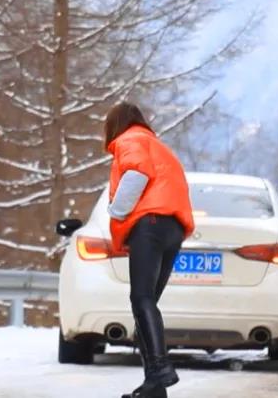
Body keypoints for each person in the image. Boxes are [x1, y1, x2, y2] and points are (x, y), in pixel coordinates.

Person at [104, 102, 194, 398]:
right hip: (173, 229)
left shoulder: (130, 140)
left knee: (141, 299)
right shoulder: (159, 146)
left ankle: (160, 368)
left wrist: (116, 210)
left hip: (150, 224)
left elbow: (135, 176)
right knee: (146, 303)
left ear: (115, 124)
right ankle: (154, 388)